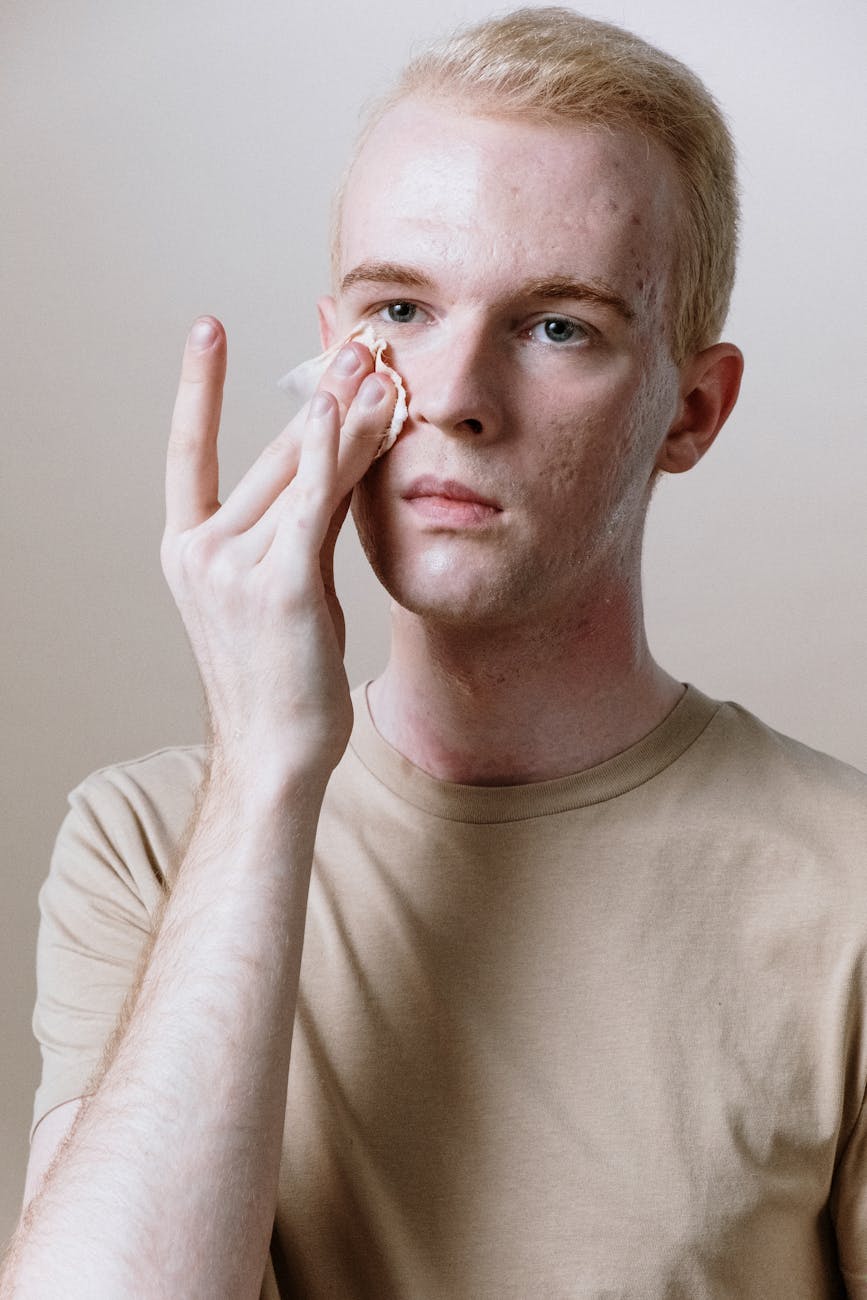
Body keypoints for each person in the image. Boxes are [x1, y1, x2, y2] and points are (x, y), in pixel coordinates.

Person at [3, 7, 866, 1296]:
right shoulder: (146, 843)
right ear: (331, 357)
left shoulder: (846, 889)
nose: (457, 391)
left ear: (691, 409)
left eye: (558, 325)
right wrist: (265, 768)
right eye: (399, 308)